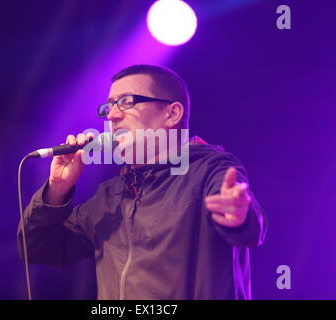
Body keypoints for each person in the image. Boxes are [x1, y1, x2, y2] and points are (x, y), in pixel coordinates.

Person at [17, 64, 267, 300]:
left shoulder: (209, 169)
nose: (112, 116)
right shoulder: (110, 195)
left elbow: (250, 228)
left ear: (172, 114)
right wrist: (57, 190)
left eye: (127, 102)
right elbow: (37, 248)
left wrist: (239, 215)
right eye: (109, 106)